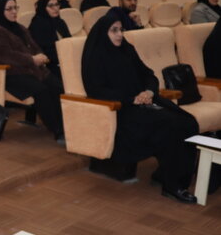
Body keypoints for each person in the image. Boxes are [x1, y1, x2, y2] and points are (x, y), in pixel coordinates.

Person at [82, 15, 199, 203]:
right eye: (114, 30)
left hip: (145, 101)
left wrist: (149, 91)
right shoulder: (96, 56)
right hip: (122, 110)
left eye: (121, 30)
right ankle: (172, 186)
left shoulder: (127, 49)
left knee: (188, 121)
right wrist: (131, 99)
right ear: (103, 33)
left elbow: (149, 75)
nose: (119, 34)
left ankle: (166, 174)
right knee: (171, 125)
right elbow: (97, 91)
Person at [0, 0, 64, 140]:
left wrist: (41, 55)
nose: (14, 12)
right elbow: (5, 55)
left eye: (15, 8)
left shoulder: (19, 27)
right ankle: (57, 129)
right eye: (9, 9)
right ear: (0, 11)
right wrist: (32, 59)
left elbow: (34, 46)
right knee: (42, 91)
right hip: (11, 74)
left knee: (58, 86)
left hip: (31, 70)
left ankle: (66, 124)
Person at [28, 0, 71, 78]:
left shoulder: (60, 22)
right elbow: (39, 50)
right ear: (43, 8)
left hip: (65, 60)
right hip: (47, 65)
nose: (55, 8)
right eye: (51, 6)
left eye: (57, 4)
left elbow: (69, 42)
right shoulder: (37, 24)